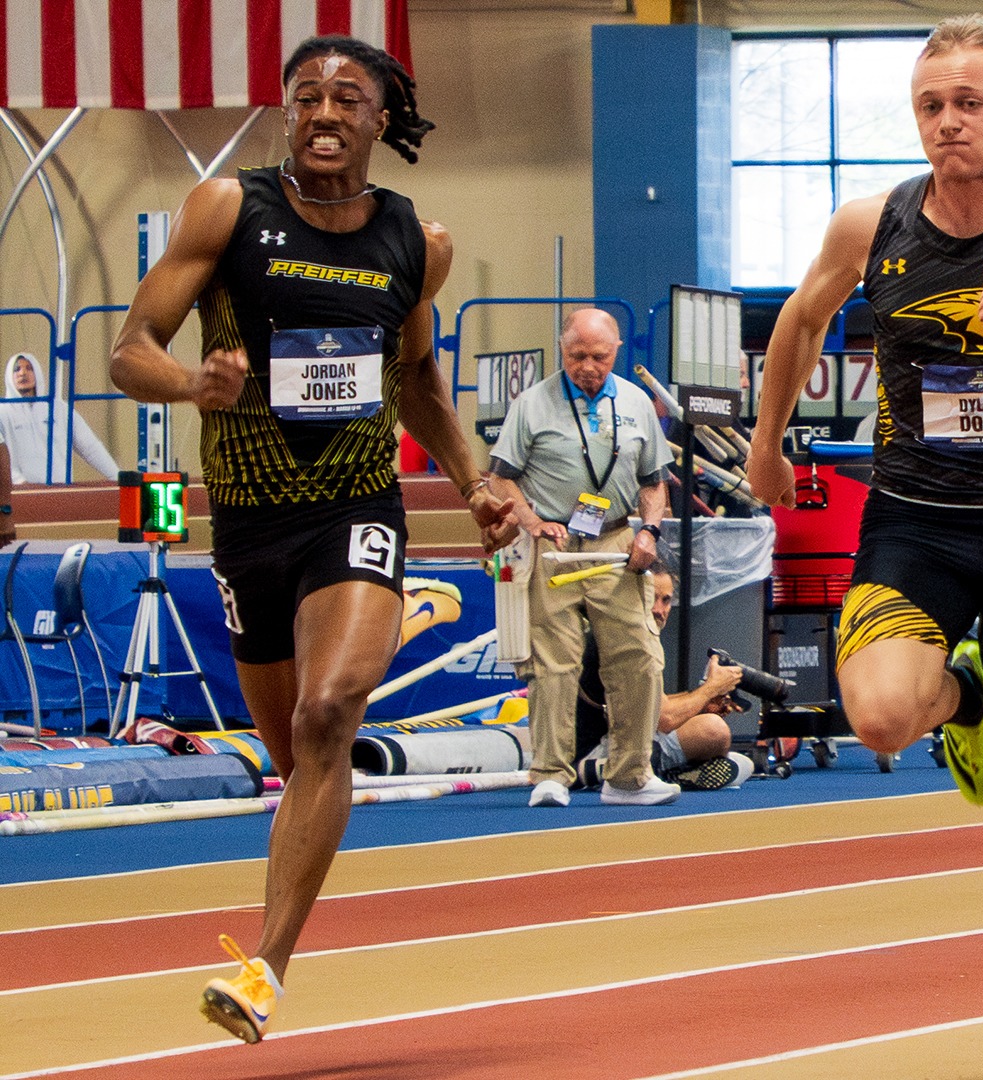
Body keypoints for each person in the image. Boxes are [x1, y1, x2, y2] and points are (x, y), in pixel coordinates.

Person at [107, 36, 517, 1044]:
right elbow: (129, 349)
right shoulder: (227, 208)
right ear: (287, 113)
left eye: (347, 98)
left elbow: (418, 380)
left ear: (384, 119)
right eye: (305, 98)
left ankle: (265, 969)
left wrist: (475, 481)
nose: (324, 113)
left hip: (357, 506)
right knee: (295, 747)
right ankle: (300, 843)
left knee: (332, 713)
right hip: (248, 517)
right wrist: (190, 383)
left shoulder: (419, 241)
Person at [745, 14, 983, 1079]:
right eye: (931, 105)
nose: (949, 122)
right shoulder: (872, 222)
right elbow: (800, 324)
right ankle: (966, 701)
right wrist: (768, 446)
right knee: (877, 717)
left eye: (970, 103)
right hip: (915, 522)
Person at [487, 307, 677, 810]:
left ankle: (630, 776)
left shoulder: (637, 403)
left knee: (639, 657)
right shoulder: (531, 404)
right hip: (555, 547)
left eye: (598, 355)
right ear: (561, 351)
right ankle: (550, 775)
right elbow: (500, 478)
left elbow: (655, 483)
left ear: (617, 352)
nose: (588, 365)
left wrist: (649, 531)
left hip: (618, 543)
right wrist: (531, 522)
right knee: (554, 662)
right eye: (577, 355)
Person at [577, 569, 755, 791]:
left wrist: (701, 701)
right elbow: (664, 718)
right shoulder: (627, 640)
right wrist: (710, 689)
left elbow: (651, 703)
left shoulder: (625, 633)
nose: (658, 610)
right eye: (650, 599)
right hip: (595, 751)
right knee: (714, 731)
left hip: (616, 740)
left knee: (744, 764)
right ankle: (637, 771)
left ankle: (665, 771)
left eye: (666, 600)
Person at [3, 352, 121, 483]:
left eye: (29, 368)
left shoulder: (59, 409)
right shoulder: (3, 412)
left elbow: (89, 446)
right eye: (17, 369)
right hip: (21, 493)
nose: (22, 373)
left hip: (59, 490)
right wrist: (20, 483)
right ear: (9, 376)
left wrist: (116, 477)